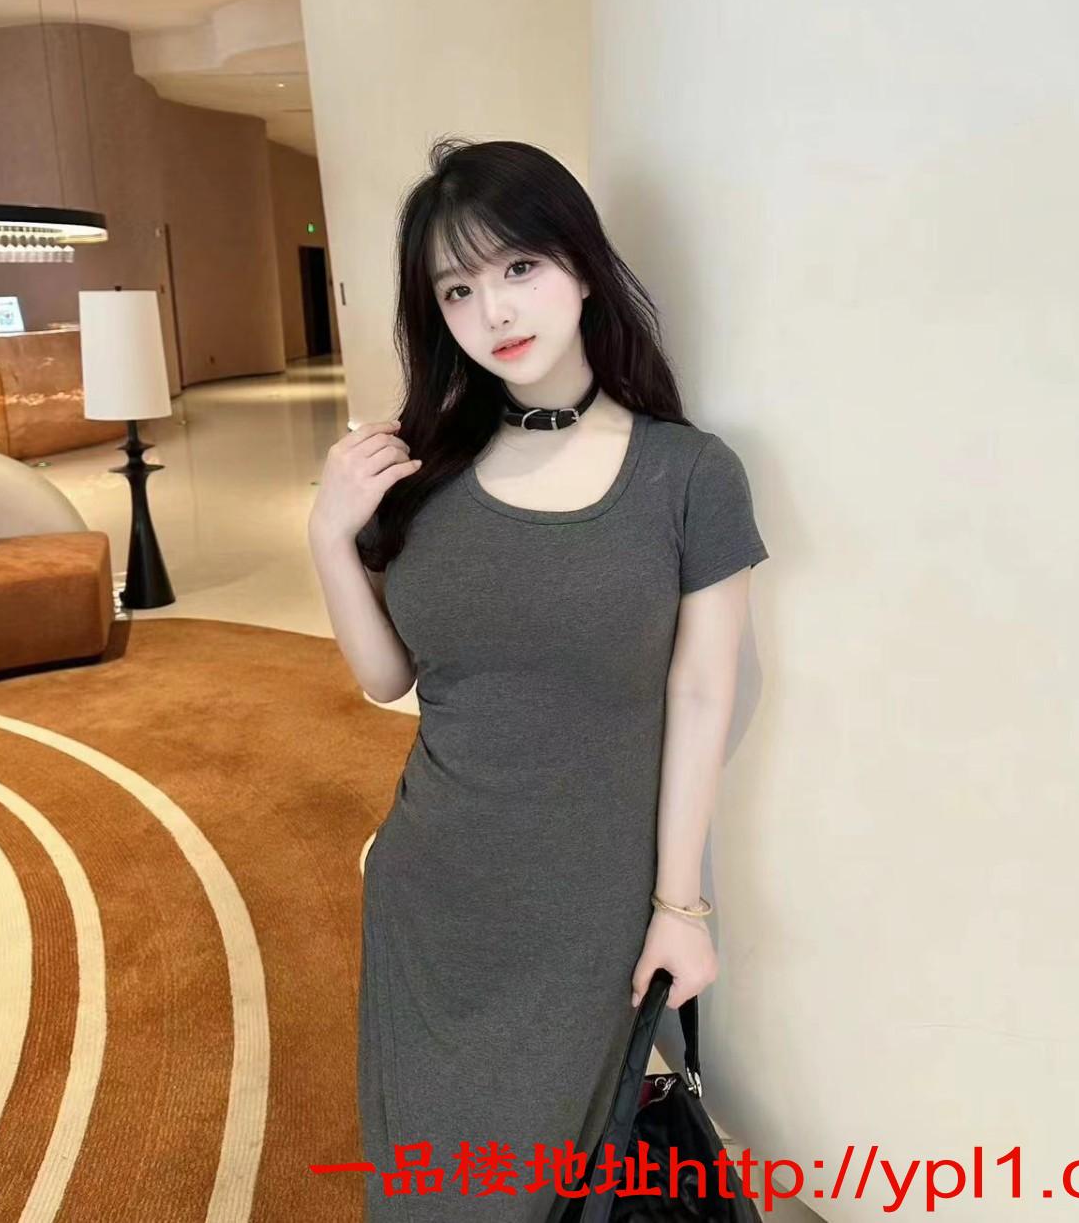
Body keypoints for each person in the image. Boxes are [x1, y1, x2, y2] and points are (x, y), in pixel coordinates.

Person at [308, 136, 769, 1221]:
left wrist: (681, 907)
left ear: (582, 265)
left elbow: (704, 695)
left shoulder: (687, 473)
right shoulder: (422, 469)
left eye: (518, 266)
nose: (495, 310)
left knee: (545, 1193)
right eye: (458, 289)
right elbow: (387, 678)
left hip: (588, 915)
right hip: (430, 898)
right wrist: (329, 535)